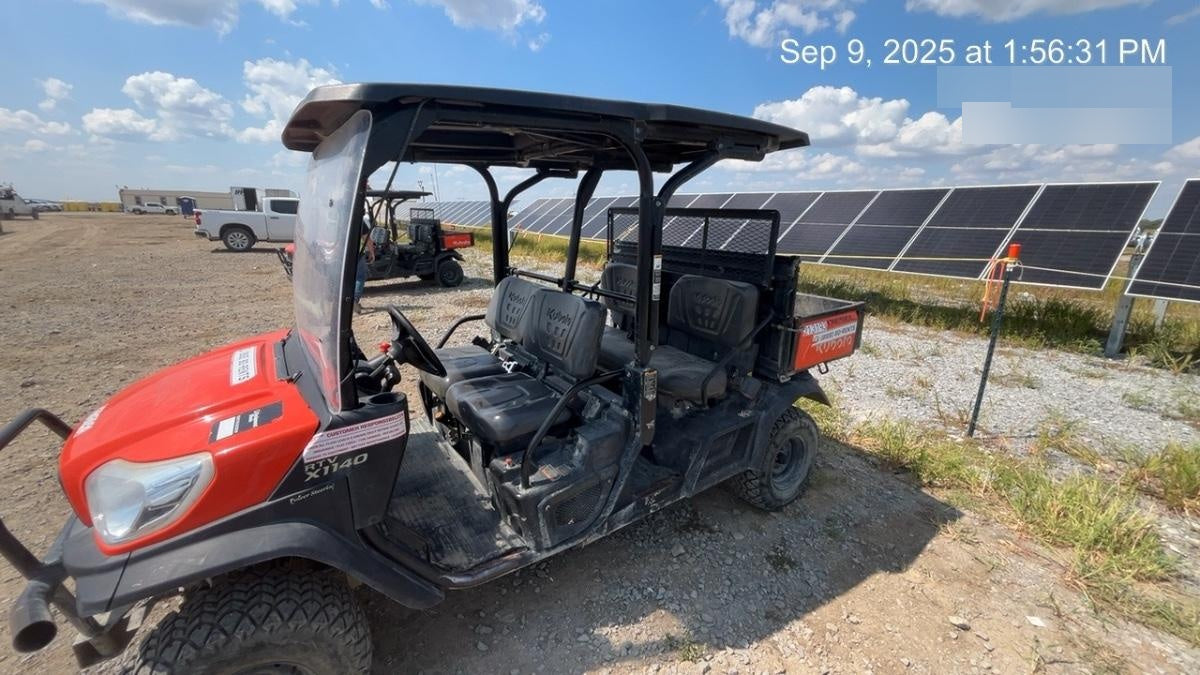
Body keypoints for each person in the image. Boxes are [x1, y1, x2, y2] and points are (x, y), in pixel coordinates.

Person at [354, 185, 376, 313]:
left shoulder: (340, 219)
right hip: (355, 253)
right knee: (360, 277)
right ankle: (354, 300)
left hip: (340, 254)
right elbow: (367, 239)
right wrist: (372, 252)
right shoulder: (359, 221)